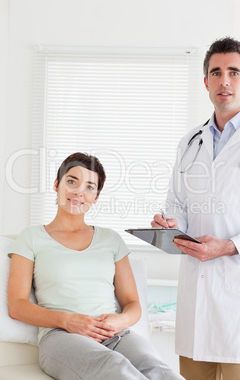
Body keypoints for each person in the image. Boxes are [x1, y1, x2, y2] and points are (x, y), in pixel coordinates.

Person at [151, 37, 240, 380]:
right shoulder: (190, 141)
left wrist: (227, 247)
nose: (224, 80)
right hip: (197, 304)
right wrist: (170, 224)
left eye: (233, 72)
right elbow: (177, 202)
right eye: (216, 72)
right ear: (206, 82)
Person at [8, 152, 184, 380]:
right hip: (61, 337)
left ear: (96, 197)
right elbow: (17, 305)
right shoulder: (31, 237)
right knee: (115, 367)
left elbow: (132, 304)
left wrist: (118, 321)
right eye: (72, 181)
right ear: (56, 185)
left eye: (90, 187)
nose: (79, 192)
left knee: (158, 368)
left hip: (114, 334)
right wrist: (68, 321)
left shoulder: (111, 240)